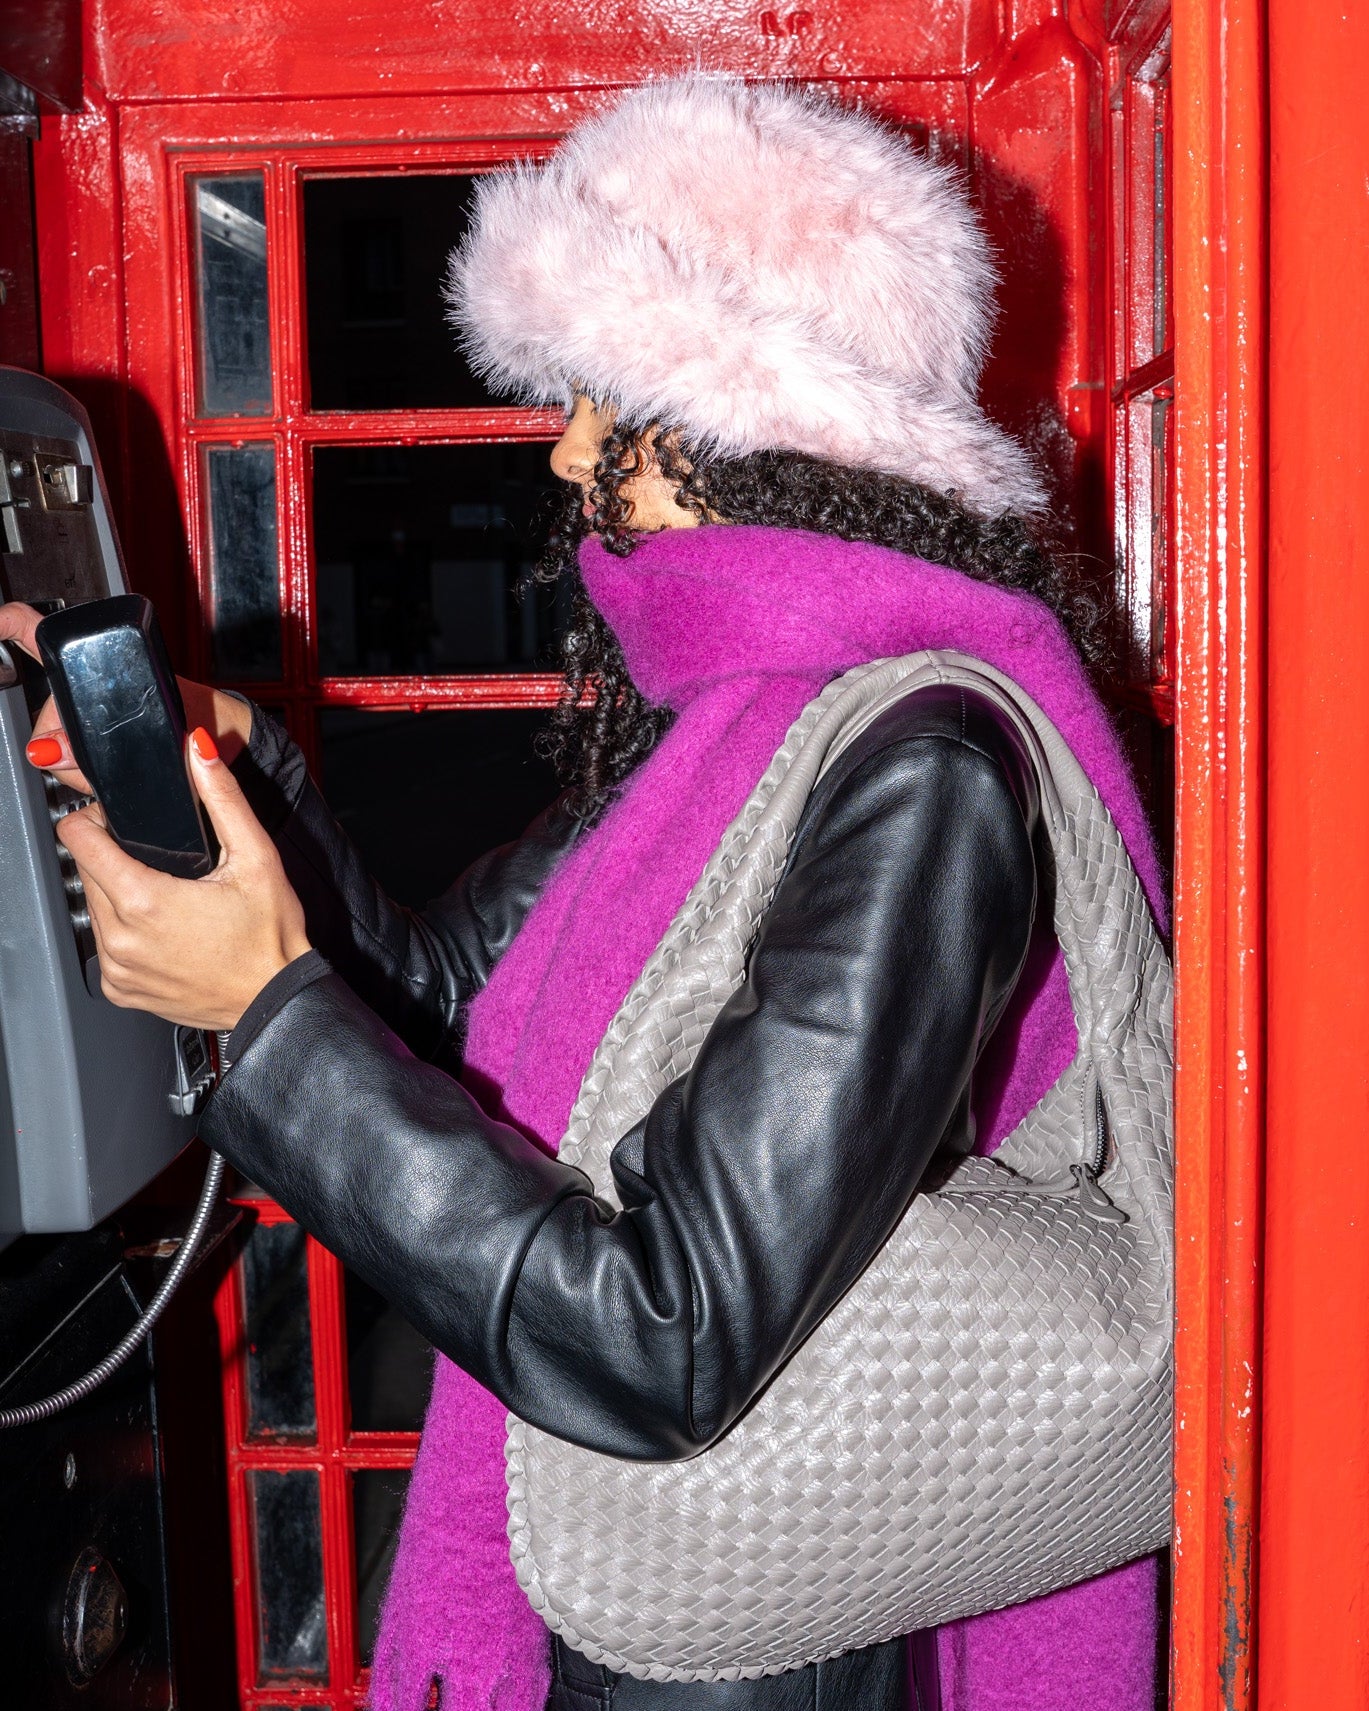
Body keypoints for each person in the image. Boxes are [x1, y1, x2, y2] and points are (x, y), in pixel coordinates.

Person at [4, 75, 1165, 1711]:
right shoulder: (724, 727)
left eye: (599, 401)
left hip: (730, 1638)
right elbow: (447, 995)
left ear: (732, 419)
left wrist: (264, 1022)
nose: (562, 448)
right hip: (604, 1572)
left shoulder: (919, 773)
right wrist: (244, 765)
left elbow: (666, 1329)